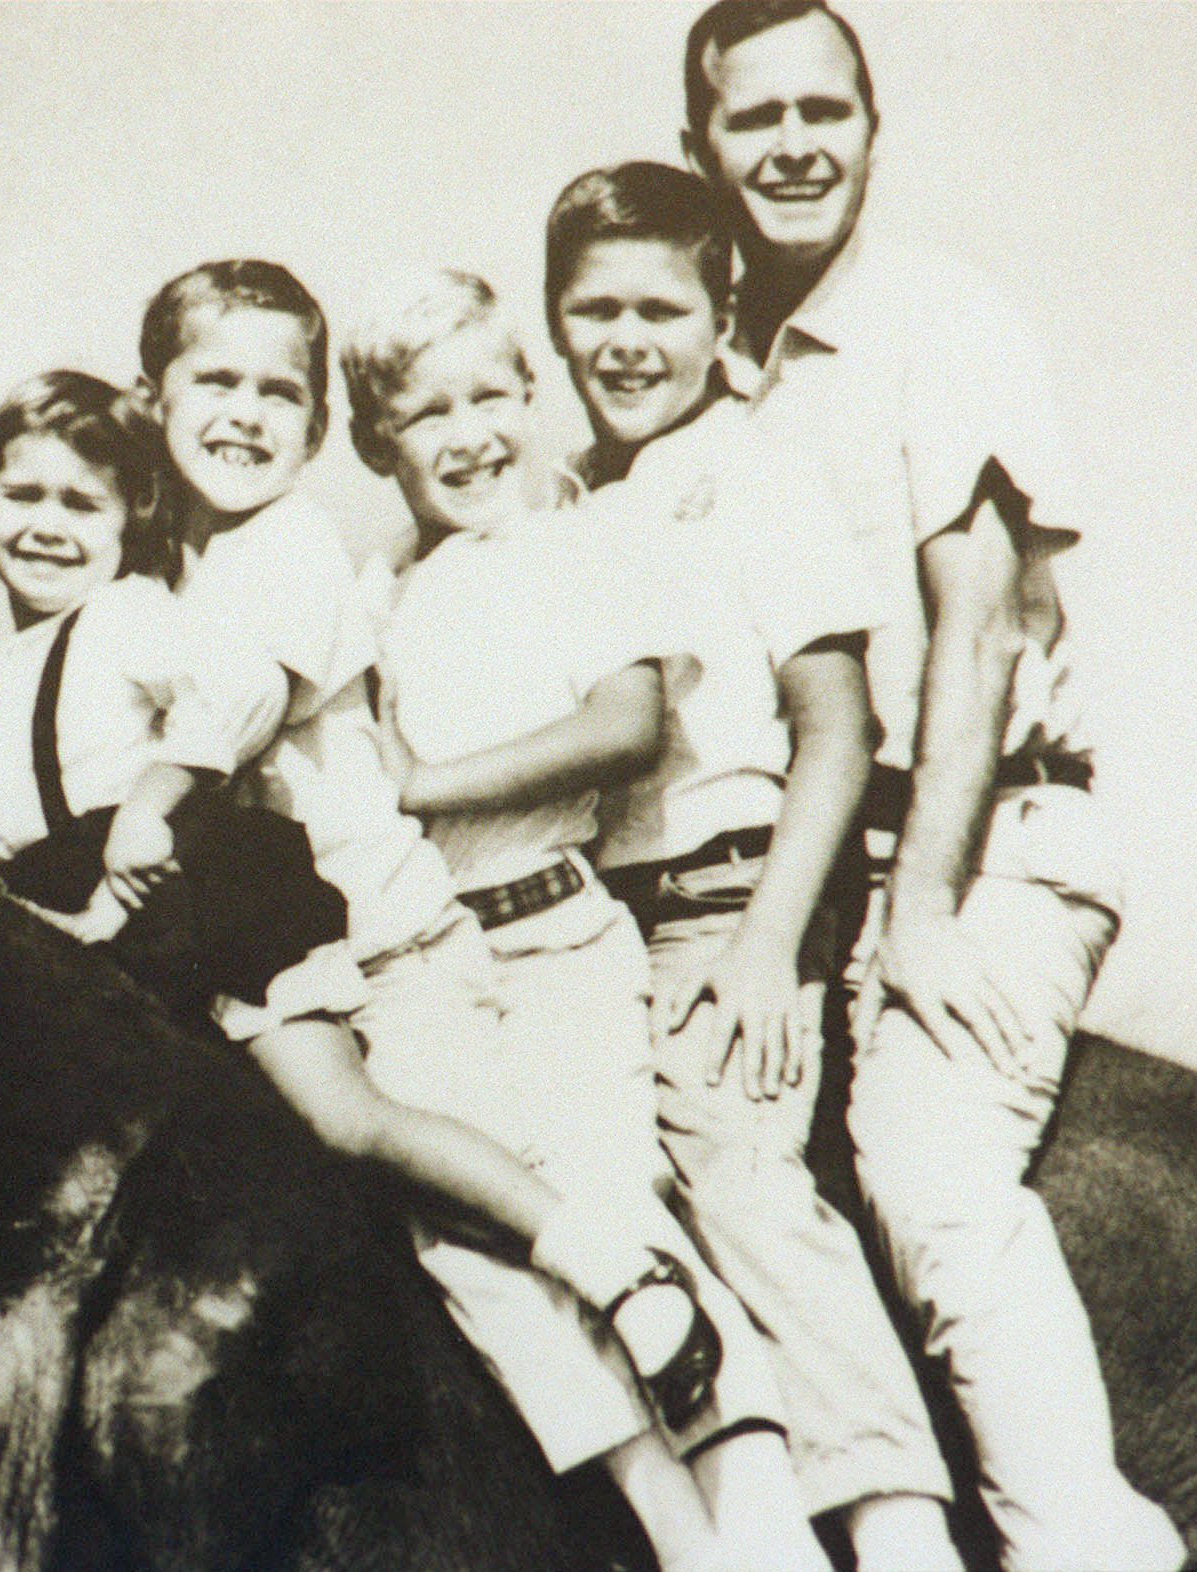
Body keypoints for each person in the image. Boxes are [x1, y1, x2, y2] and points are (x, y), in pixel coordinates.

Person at [680, 3, 1186, 1567]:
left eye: (825, 111)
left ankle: (1088, 1551)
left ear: (873, 129)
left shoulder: (939, 321)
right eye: (754, 120)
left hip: (992, 839)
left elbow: (970, 642)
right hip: (846, 853)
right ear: (702, 145)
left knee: (927, 1171)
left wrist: (921, 913)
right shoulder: (722, 367)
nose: (795, 146)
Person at [0, 369, 668, 1321]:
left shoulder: (132, 613)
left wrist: (151, 803)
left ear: (132, 514)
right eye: (24, 497)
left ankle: (595, 1255)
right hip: (106, 948)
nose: (49, 524)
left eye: (80, 503)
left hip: (201, 908)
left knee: (343, 1123)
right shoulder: (2, 672)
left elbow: (239, 694)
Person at [340, 265, 829, 1572]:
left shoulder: (589, 542)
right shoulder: (382, 588)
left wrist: (420, 788)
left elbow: (626, 727)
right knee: (481, 1252)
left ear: (534, 398)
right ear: (375, 442)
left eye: (495, 393)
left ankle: (768, 1535)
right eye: (428, 412)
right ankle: (688, 1544)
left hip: (558, 936)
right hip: (435, 970)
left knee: (616, 1204)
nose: (472, 432)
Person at [547, 160, 967, 1570]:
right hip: (613, 916)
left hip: (735, 890)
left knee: (740, 1177)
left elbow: (838, 729)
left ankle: (898, 1526)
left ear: (722, 311)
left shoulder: (752, 469)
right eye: (594, 308)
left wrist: (769, 945)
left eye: (660, 309)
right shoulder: (582, 497)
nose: (624, 341)